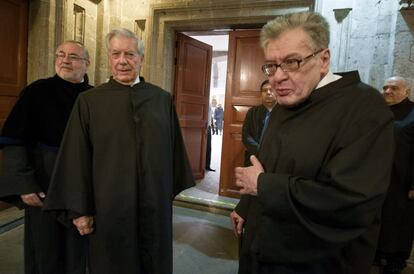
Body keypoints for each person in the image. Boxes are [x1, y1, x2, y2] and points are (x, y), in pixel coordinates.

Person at [229, 11, 394, 274]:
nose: (277, 77)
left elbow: (350, 203)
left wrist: (263, 186)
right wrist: (246, 206)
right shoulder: (289, 99)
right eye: (271, 65)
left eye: (292, 62)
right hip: (262, 245)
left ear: (323, 59)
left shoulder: (365, 108)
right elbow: (267, 163)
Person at [43, 28, 194, 274]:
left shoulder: (161, 100)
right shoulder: (89, 101)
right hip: (108, 211)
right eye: (116, 54)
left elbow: (174, 156)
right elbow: (76, 158)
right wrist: (81, 210)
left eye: (130, 54)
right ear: (109, 58)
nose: (122, 61)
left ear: (141, 59)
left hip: (153, 210)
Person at [0, 41, 92, 274]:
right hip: (43, 186)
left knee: (79, 250)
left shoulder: (95, 97)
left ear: (87, 64)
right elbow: (14, 141)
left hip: (81, 189)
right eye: (60, 55)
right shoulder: (36, 92)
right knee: (45, 252)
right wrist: (24, 185)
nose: (64, 60)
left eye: (72, 56)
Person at [375, 76, 414, 274]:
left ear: (406, 92)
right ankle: (378, 253)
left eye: (394, 88)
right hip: (378, 177)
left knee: (400, 221)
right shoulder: (378, 111)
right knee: (380, 216)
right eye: (385, 87)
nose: (388, 91)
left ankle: (396, 260)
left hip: (403, 180)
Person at [242, 80, 276, 166]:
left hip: (274, 160)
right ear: (261, 94)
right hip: (253, 157)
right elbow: (246, 136)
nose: (268, 93)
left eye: (271, 90)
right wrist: (260, 151)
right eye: (265, 90)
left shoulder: (284, 113)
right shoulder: (252, 112)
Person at [206, 104, 215, 171]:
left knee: (208, 148)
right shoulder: (204, 103)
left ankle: (207, 166)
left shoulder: (209, 105)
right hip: (203, 127)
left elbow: (211, 117)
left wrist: (213, 127)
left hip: (208, 128)